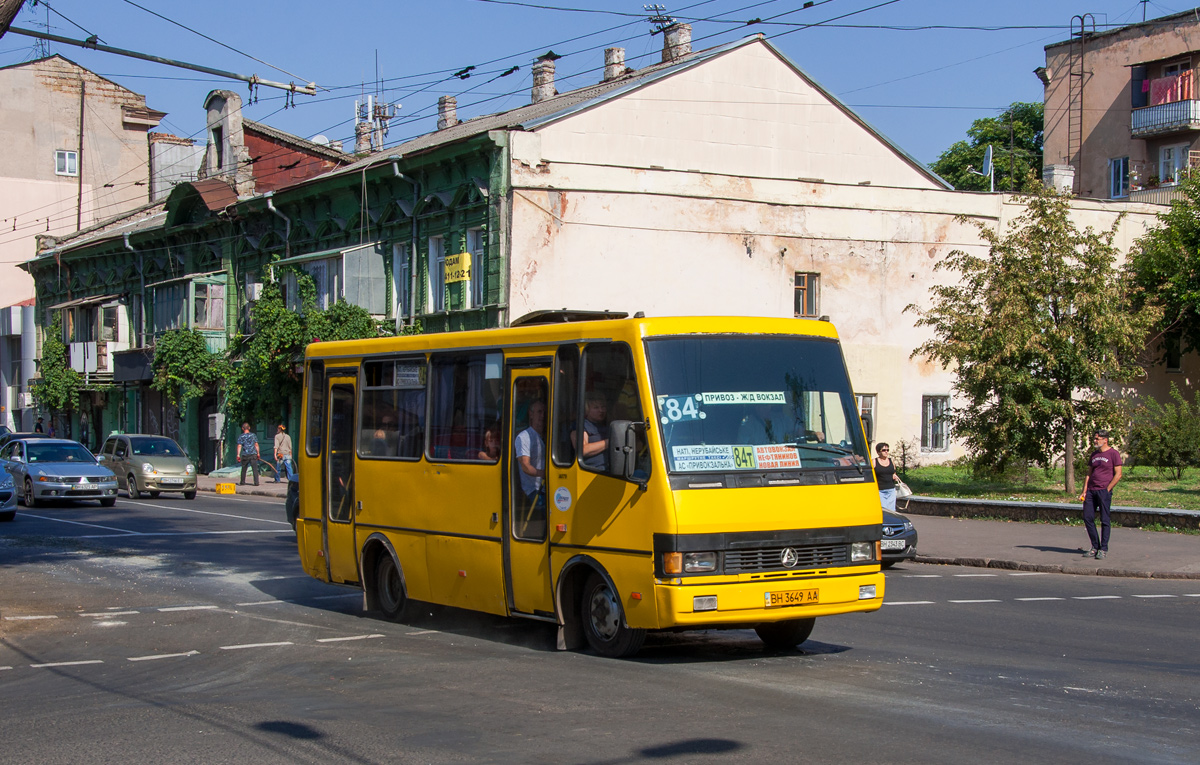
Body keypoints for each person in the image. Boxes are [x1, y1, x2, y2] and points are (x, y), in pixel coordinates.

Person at [1080, 429, 1123, 560]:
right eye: (1094, 439)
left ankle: (1103, 549)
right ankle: (1095, 547)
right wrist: (1084, 490)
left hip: (1104, 491)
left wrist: (1108, 489)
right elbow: (1089, 473)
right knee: (1087, 518)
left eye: (1097, 439)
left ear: (1105, 440)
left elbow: (1118, 474)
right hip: (1091, 491)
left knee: (1105, 520)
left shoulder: (1113, 454)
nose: (1095, 441)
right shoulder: (1094, 455)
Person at [514, 400, 546, 507]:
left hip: (549, 487)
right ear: (531, 414)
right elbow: (526, 467)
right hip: (534, 490)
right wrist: (545, 474)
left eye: (545, 413)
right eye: (539, 412)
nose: (542, 416)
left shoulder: (549, 436)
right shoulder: (524, 437)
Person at [573, 395, 609, 471]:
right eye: (596, 408)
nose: (601, 410)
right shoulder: (582, 425)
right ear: (587, 410)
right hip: (592, 471)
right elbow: (582, 450)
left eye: (603, 407)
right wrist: (608, 442)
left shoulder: (606, 425)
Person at [236, 422, 261, 486]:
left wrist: (238, 455)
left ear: (242, 428)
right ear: (249, 428)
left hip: (245, 455)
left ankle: (242, 482)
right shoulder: (253, 435)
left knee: (244, 469)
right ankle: (256, 482)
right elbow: (256, 445)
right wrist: (258, 453)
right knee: (255, 469)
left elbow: (239, 445)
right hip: (253, 454)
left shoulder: (241, 436)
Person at [874, 442, 897, 511]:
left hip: (891, 490)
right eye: (884, 450)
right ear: (878, 452)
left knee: (892, 511)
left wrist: (894, 475)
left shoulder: (891, 461)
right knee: (883, 510)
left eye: (887, 450)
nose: (886, 452)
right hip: (880, 490)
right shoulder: (874, 461)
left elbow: (894, 471)